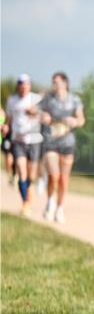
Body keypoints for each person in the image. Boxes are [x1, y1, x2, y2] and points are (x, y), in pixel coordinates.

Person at [39, 72, 85, 223]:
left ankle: (60, 208)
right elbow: (35, 111)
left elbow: (81, 119)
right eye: (53, 82)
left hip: (67, 142)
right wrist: (43, 116)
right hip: (51, 141)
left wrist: (75, 121)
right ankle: (50, 202)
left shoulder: (74, 99)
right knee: (54, 175)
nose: (54, 85)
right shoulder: (48, 99)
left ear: (65, 83)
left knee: (64, 179)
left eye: (57, 82)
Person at [5, 74, 44, 216]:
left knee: (31, 174)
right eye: (21, 85)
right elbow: (9, 118)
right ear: (18, 87)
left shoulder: (36, 99)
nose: (23, 88)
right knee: (22, 171)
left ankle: (29, 188)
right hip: (18, 140)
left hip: (34, 140)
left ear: (29, 86)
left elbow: (45, 116)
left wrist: (35, 112)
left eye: (26, 85)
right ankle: (25, 203)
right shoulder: (12, 101)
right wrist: (6, 126)